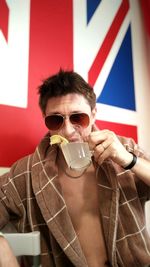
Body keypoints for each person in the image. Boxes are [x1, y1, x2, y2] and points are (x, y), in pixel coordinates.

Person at [0, 69, 150, 267]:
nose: (68, 130)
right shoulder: (26, 173)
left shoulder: (124, 149)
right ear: (45, 119)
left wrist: (128, 159)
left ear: (94, 114)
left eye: (78, 118)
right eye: (56, 119)